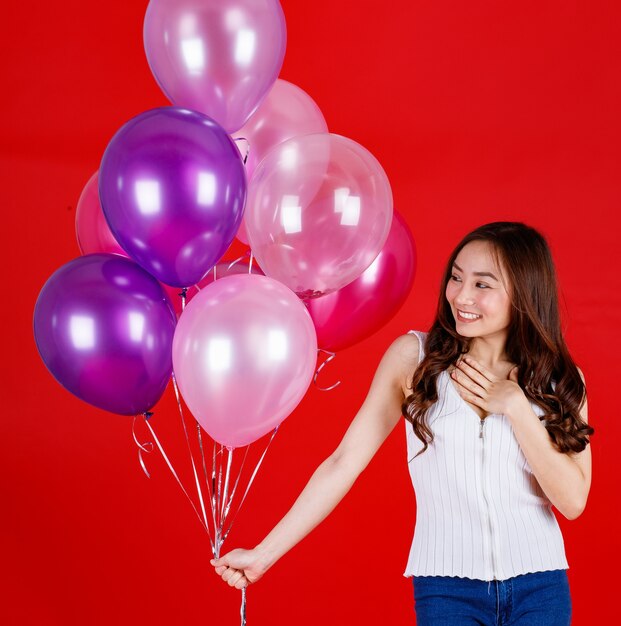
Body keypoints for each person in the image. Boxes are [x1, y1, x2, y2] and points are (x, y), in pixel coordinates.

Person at [210, 221, 593, 625]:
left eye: (483, 284)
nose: (461, 296)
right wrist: (264, 555)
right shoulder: (415, 360)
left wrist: (516, 407)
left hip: (540, 589)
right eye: (456, 277)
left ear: (524, 292)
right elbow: (343, 463)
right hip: (447, 590)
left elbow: (572, 502)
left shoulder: (562, 381)